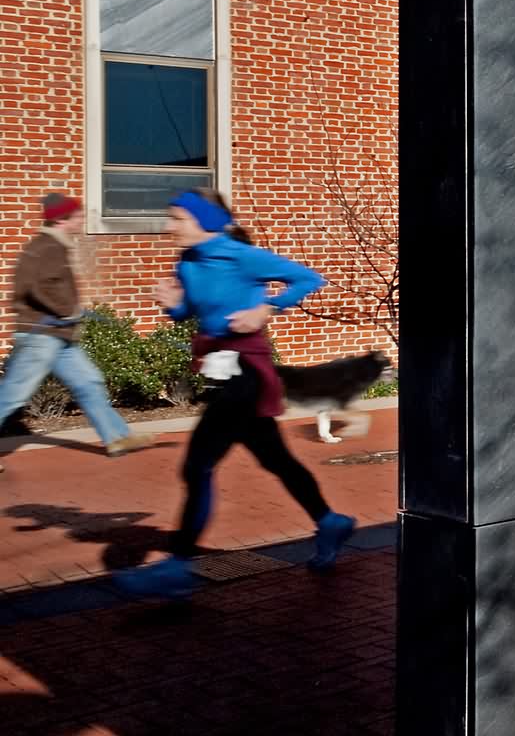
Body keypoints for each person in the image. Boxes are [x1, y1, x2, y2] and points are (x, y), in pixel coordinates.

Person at [112, 191, 354, 599]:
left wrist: (268, 309)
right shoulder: (188, 262)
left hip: (247, 373)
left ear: (204, 220)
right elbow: (196, 310)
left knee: (197, 466)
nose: (168, 227)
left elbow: (309, 278)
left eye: (177, 219)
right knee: (276, 459)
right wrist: (173, 307)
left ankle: (178, 565)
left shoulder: (239, 255)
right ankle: (330, 521)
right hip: (220, 373)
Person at [1, 194, 149, 464]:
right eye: (78, 216)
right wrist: (66, 309)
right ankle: (117, 436)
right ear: (61, 219)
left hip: (58, 335)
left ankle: (117, 437)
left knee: (89, 383)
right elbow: (36, 287)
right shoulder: (47, 247)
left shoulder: (52, 245)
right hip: (40, 335)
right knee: (13, 395)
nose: (82, 220)